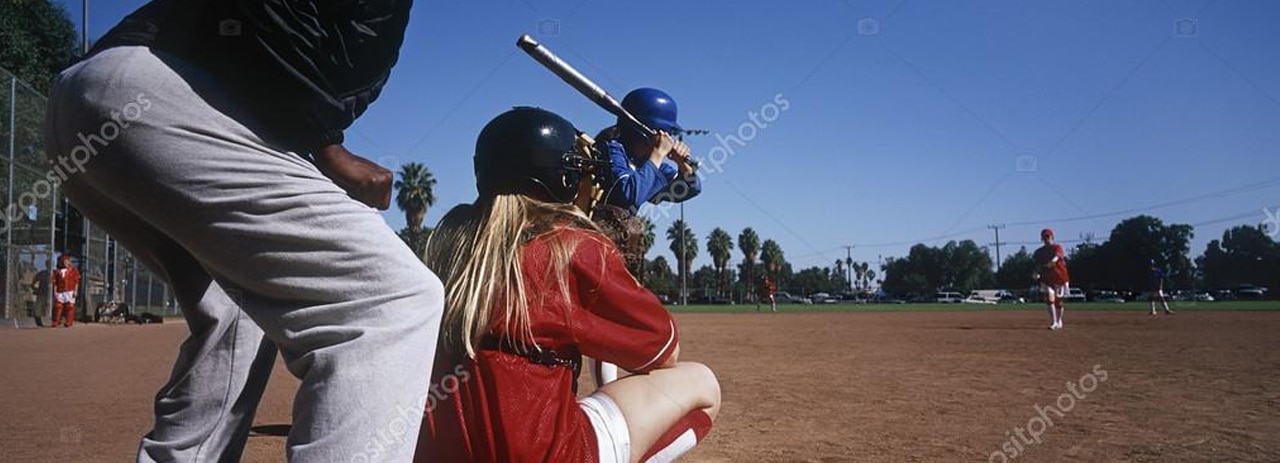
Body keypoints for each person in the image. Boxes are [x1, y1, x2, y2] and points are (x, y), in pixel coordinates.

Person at [43, 1, 443, 461]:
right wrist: (324, 143)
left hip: (102, 104)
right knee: (389, 300)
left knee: (237, 307)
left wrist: (321, 140)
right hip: (157, 94)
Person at [415, 107, 720, 463]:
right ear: (560, 179)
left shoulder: (445, 242)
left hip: (439, 452)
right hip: (543, 452)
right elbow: (664, 351)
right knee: (703, 382)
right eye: (579, 171)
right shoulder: (568, 245)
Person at [1033, 229, 1070, 330]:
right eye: (1044, 237)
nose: (1046, 239)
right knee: (1050, 299)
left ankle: (1059, 320)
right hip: (1046, 278)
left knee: (1059, 302)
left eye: (1048, 237)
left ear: (1052, 237)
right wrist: (1036, 273)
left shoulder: (1057, 247)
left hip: (1060, 277)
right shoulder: (1039, 252)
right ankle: (1053, 322)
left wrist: (1053, 261)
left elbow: (1057, 256)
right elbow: (1038, 264)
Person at [50, 254, 81, 328]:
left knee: (70, 307)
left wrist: (76, 291)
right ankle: (56, 321)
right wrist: (55, 292)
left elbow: (76, 281)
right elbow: (55, 283)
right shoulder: (57, 271)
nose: (66, 263)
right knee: (58, 306)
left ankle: (68, 322)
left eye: (67, 261)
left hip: (70, 291)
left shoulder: (73, 270)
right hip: (60, 291)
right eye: (64, 261)